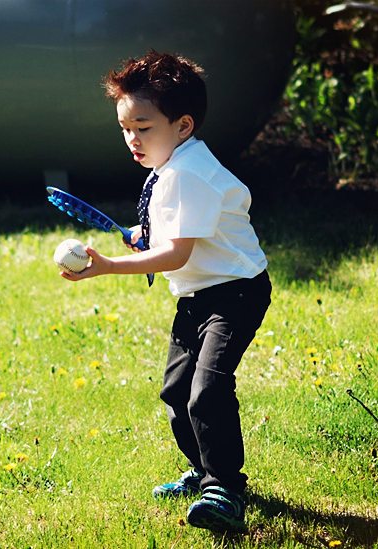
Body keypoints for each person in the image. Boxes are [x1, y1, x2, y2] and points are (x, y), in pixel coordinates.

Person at [60, 50, 271, 533]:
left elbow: (175, 255)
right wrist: (144, 231)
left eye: (143, 126)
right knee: (176, 390)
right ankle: (202, 471)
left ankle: (226, 489)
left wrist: (111, 266)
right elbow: (172, 229)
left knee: (208, 390)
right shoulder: (172, 162)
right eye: (125, 128)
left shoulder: (188, 173)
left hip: (235, 292)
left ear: (182, 125)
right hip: (200, 295)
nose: (132, 139)